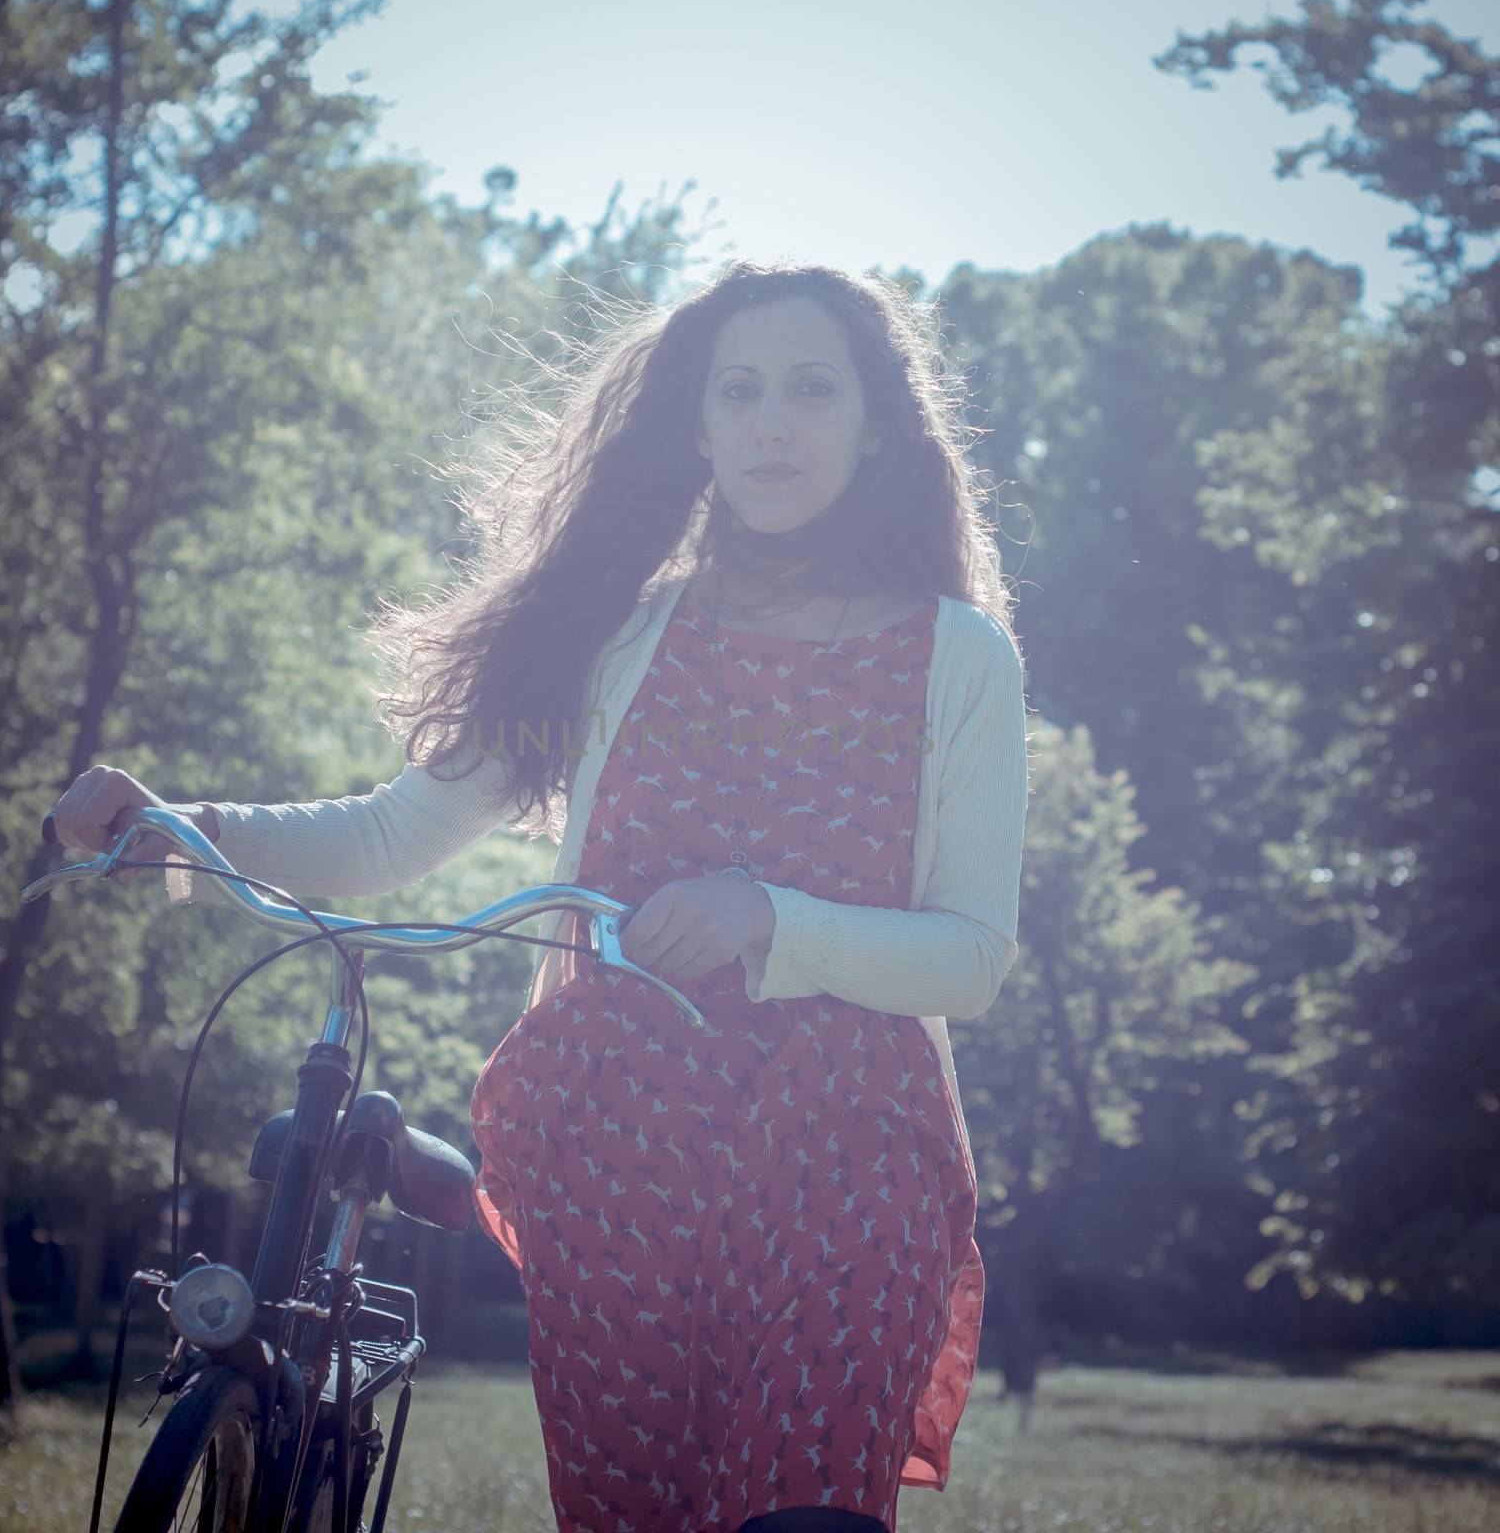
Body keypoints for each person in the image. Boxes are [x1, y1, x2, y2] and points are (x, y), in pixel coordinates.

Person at [50, 259, 1031, 1533]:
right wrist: (190, 826)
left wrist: (767, 919)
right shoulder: (614, 632)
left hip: (850, 1158)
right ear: (697, 423)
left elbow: (968, 958)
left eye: (810, 388)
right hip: (618, 1157)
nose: (772, 423)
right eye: (739, 390)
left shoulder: (959, 654)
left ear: (876, 421)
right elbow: (396, 829)